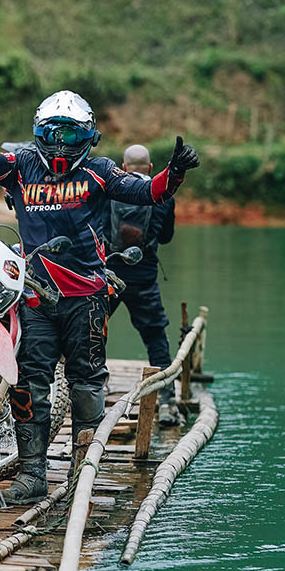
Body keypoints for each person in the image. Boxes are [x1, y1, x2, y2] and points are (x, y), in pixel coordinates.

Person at [0, 92, 200, 505]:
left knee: (86, 382)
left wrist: (174, 173)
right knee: (28, 381)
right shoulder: (22, 165)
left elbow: (147, 193)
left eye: (71, 134)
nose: (61, 143)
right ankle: (32, 473)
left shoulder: (100, 171)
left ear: (88, 136)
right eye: (52, 133)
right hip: (34, 296)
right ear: (38, 132)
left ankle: (84, 470)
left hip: (87, 296)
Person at [104, 143, 178, 424]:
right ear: (150, 169)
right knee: (155, 337)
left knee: (94, 331)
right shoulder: (163, 196)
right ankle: (168, 401)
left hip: (109, 274)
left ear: (123, 167)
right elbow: (167, 236)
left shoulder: (109, 192)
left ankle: (95, 389)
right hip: (144, 278)